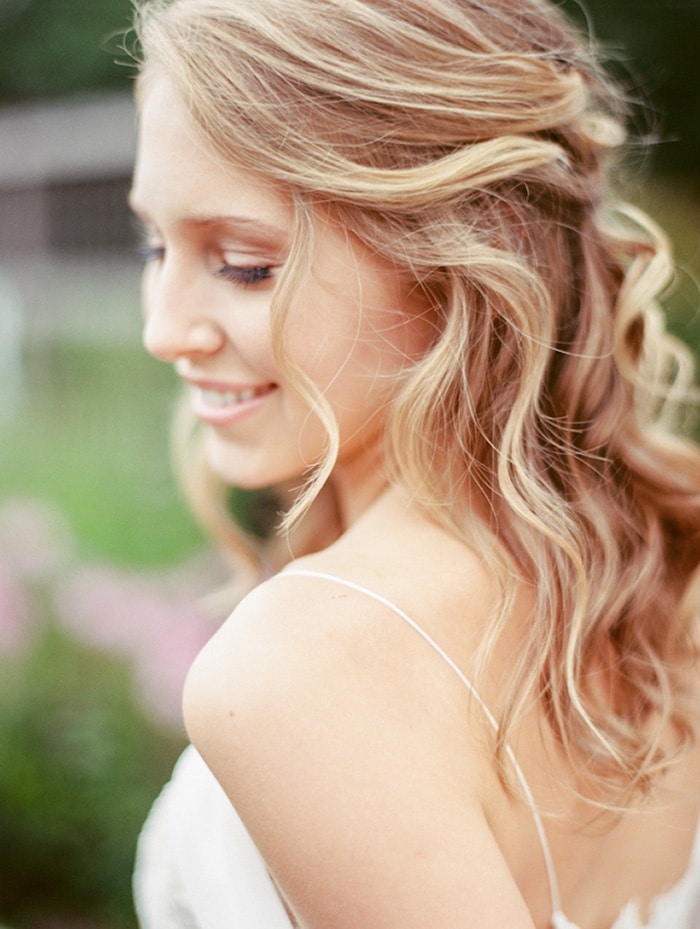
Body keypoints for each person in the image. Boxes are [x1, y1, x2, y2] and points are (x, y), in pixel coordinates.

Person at [127, 0, 700, 926]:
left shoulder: (300, 665)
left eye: (240, 263)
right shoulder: (661, 551)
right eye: (155, 245)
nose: (163, 329)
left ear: (450, 253)